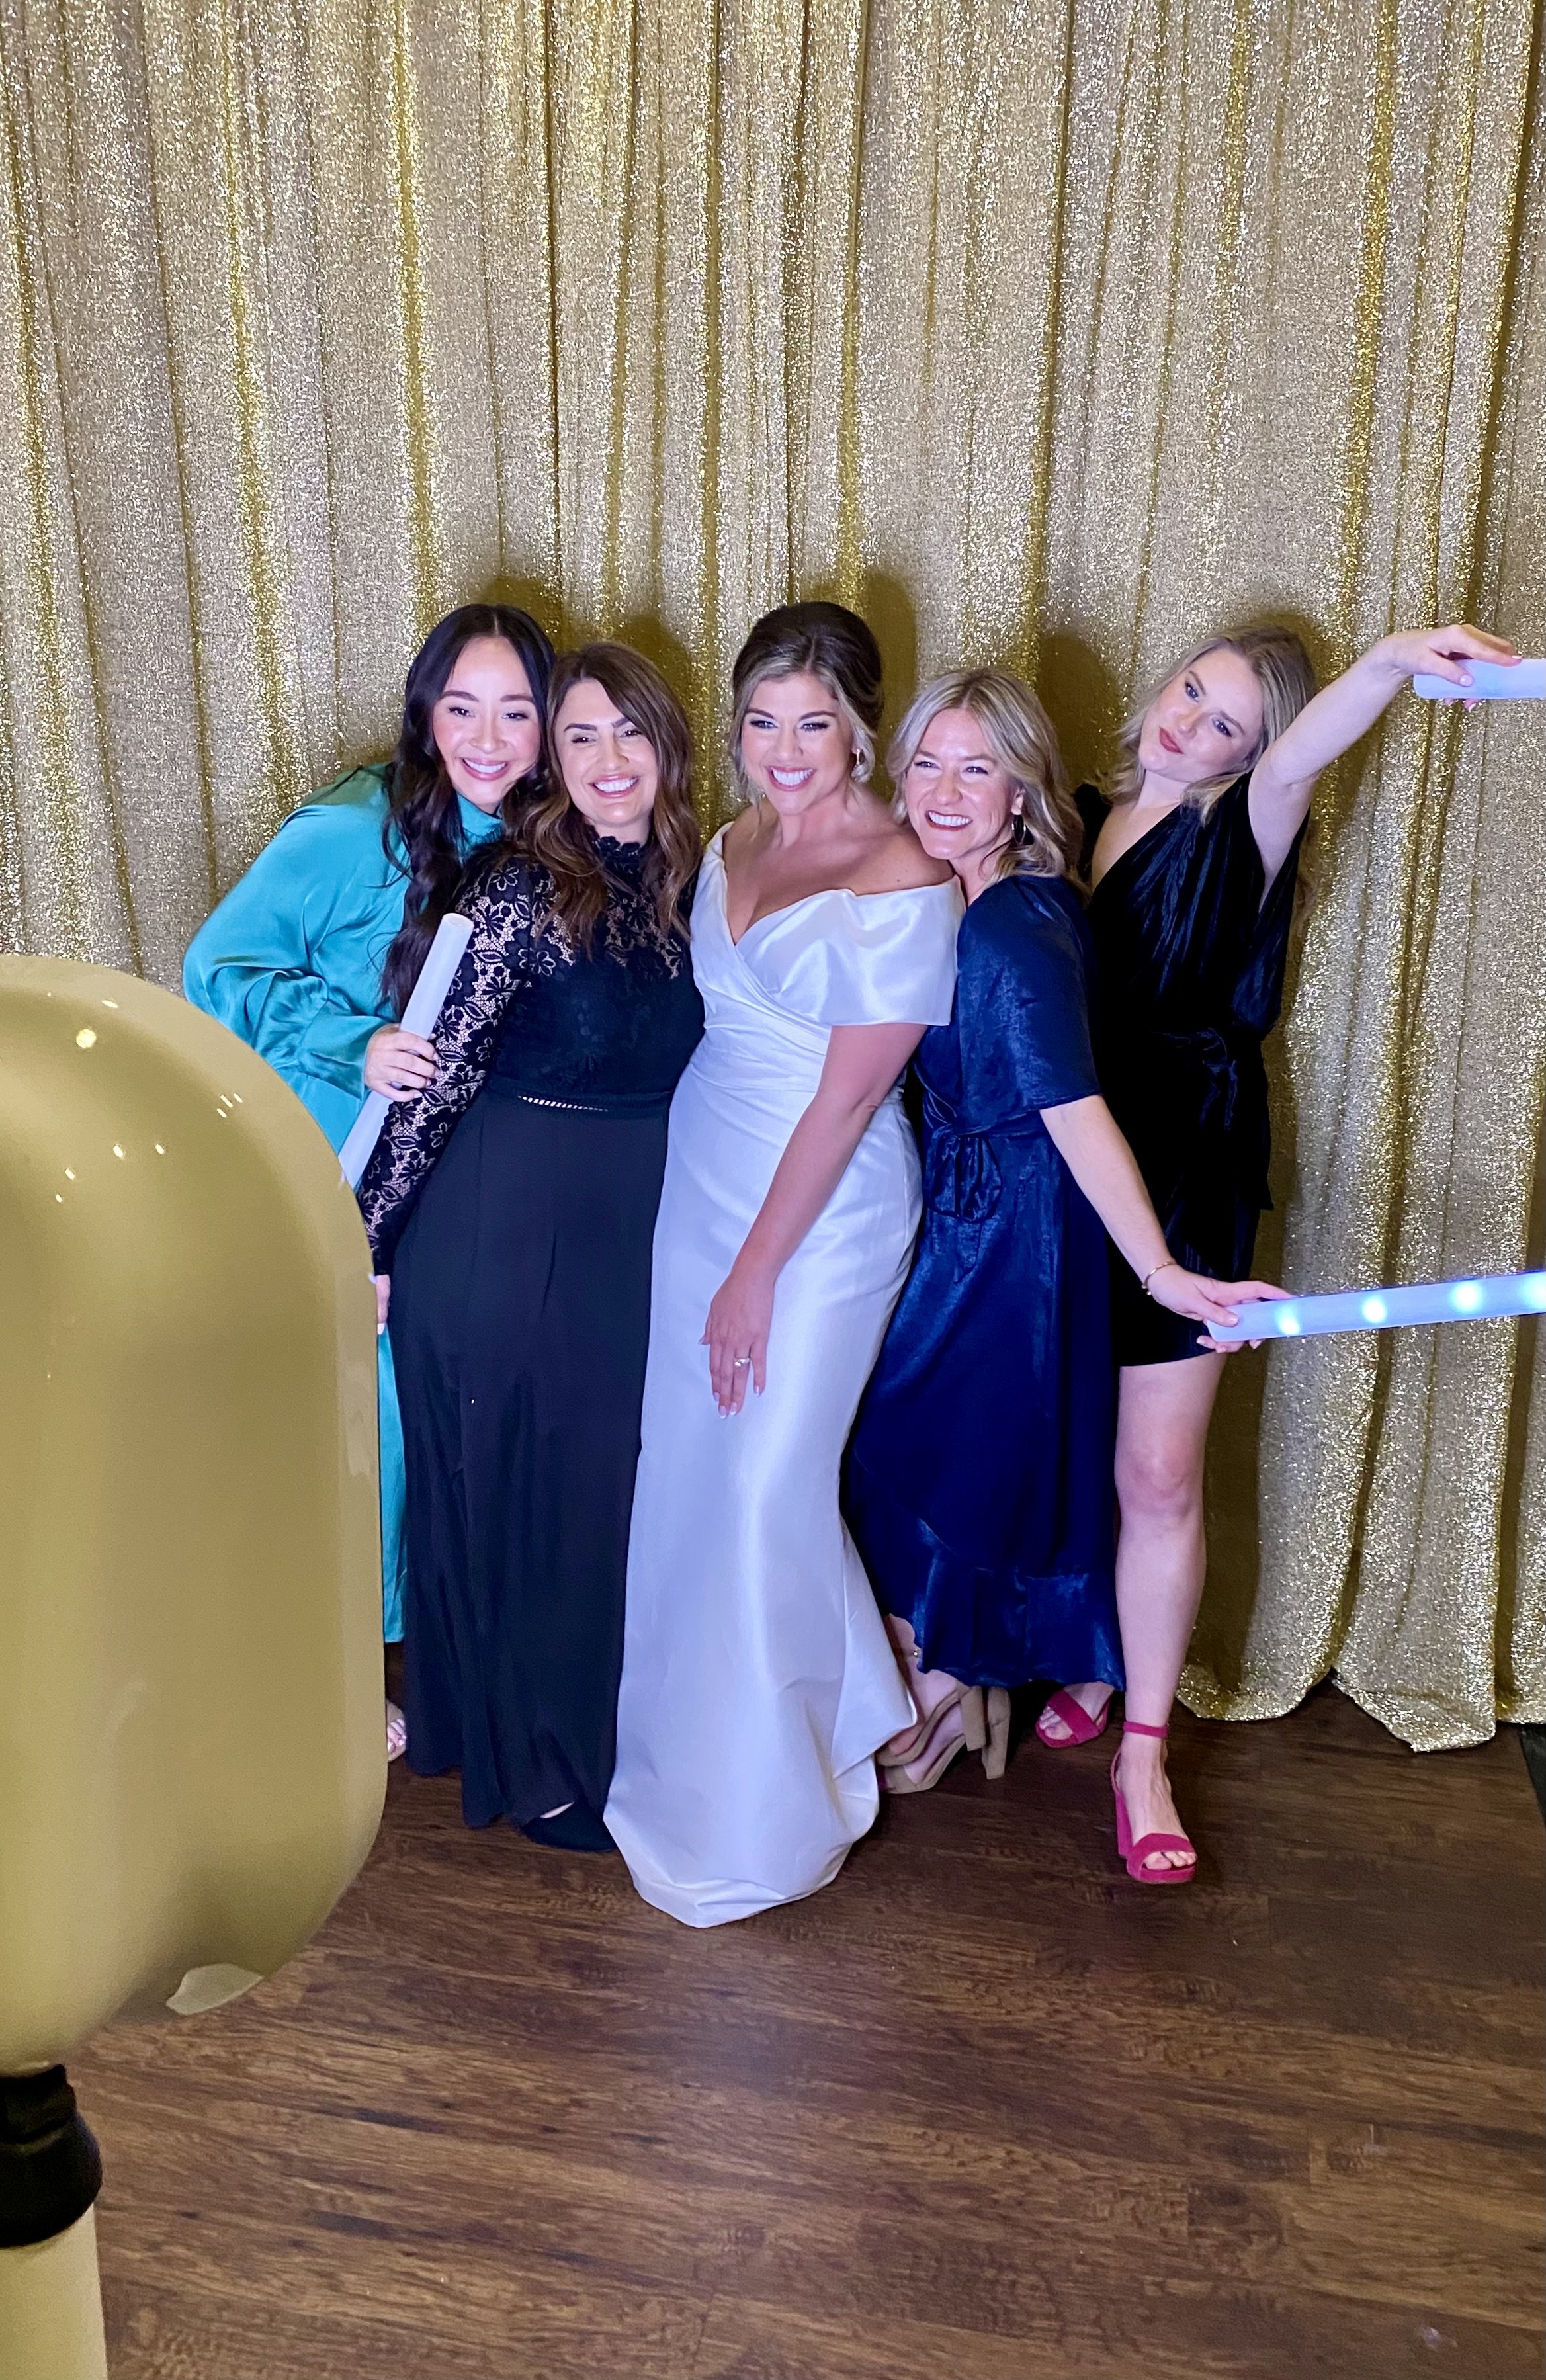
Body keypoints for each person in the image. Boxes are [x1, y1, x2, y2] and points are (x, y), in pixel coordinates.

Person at [1041, 620, 1519, 1876]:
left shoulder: (1239, 826)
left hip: (1186, 1168)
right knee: (1065, 1433)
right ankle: (1095, 1650)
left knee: (1156, 1470)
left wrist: (1394, 660)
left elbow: (1304, 756)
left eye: (1226, 727)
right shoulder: (1075, 811)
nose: (1186, 726)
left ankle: (1141, 1752)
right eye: (1192, 692)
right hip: (1059, 1167)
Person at [841, 671, 1274, 1869]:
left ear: (1023, 791)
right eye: (927, 760)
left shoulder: (1010, 921)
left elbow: (1075, 1106)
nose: (941, 789)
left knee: (938, 1448)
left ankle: (942, 1685)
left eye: (976, 768)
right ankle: (956, 1681)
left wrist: (1160, 1270)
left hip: (1012, 1243)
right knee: (944, 1455)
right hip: (983, 1218)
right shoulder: (960, 896)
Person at [604, 601, 961, 1927]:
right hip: (704, 1173)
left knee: (765, 1484)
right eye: (761, 720)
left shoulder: (900, 868)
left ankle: (771, 1797)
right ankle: (722, 1743)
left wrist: (754, 1270)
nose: (783, 748)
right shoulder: (734, 835)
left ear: (863, 730)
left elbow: (852, 1098)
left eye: (813, 723)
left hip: (822, 1215)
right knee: (691, 1475)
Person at [184, 602, 554, 1758]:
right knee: (350, 1431)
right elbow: (216, 966)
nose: (486, 737)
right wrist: (355, 1041)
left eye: (514, 710)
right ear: (425, 714)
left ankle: (390, 1648)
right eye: (460, 708)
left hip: (452, 1190)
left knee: (410, 1434)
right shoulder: (354, 827)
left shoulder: (546, 841)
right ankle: (317, 1671)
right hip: (335, 1186)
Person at [356, 644, 703, 1851]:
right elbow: (434, 1080)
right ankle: (538, 1758)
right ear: (554, 762)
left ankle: (543, 1725)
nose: (608, 764)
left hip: (621, 1226)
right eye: (580, 740)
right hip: (503, 1223)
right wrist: (371, 1243)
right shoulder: (517, 884)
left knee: (591, 1492)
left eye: (629, 735)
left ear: (668, 745)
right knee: (529, 1489)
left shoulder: (687, 876)